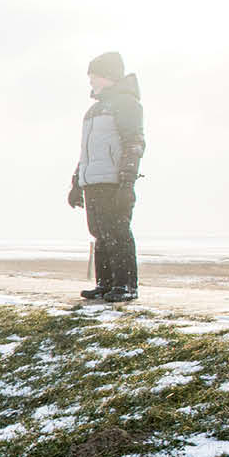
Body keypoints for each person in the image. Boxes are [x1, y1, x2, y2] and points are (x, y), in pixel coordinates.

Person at [68, 51, 145, 302]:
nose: (90, 81)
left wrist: (127, 183)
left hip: (114, 180)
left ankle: (126, 285)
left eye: (95, 75)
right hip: (93, 181)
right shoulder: (93, 111)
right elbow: (86, 152)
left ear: (109, 76)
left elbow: (134, 143)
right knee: (99, 233)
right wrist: (77, 182)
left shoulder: (126, 104)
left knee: (117, 231)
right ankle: (105, 283)